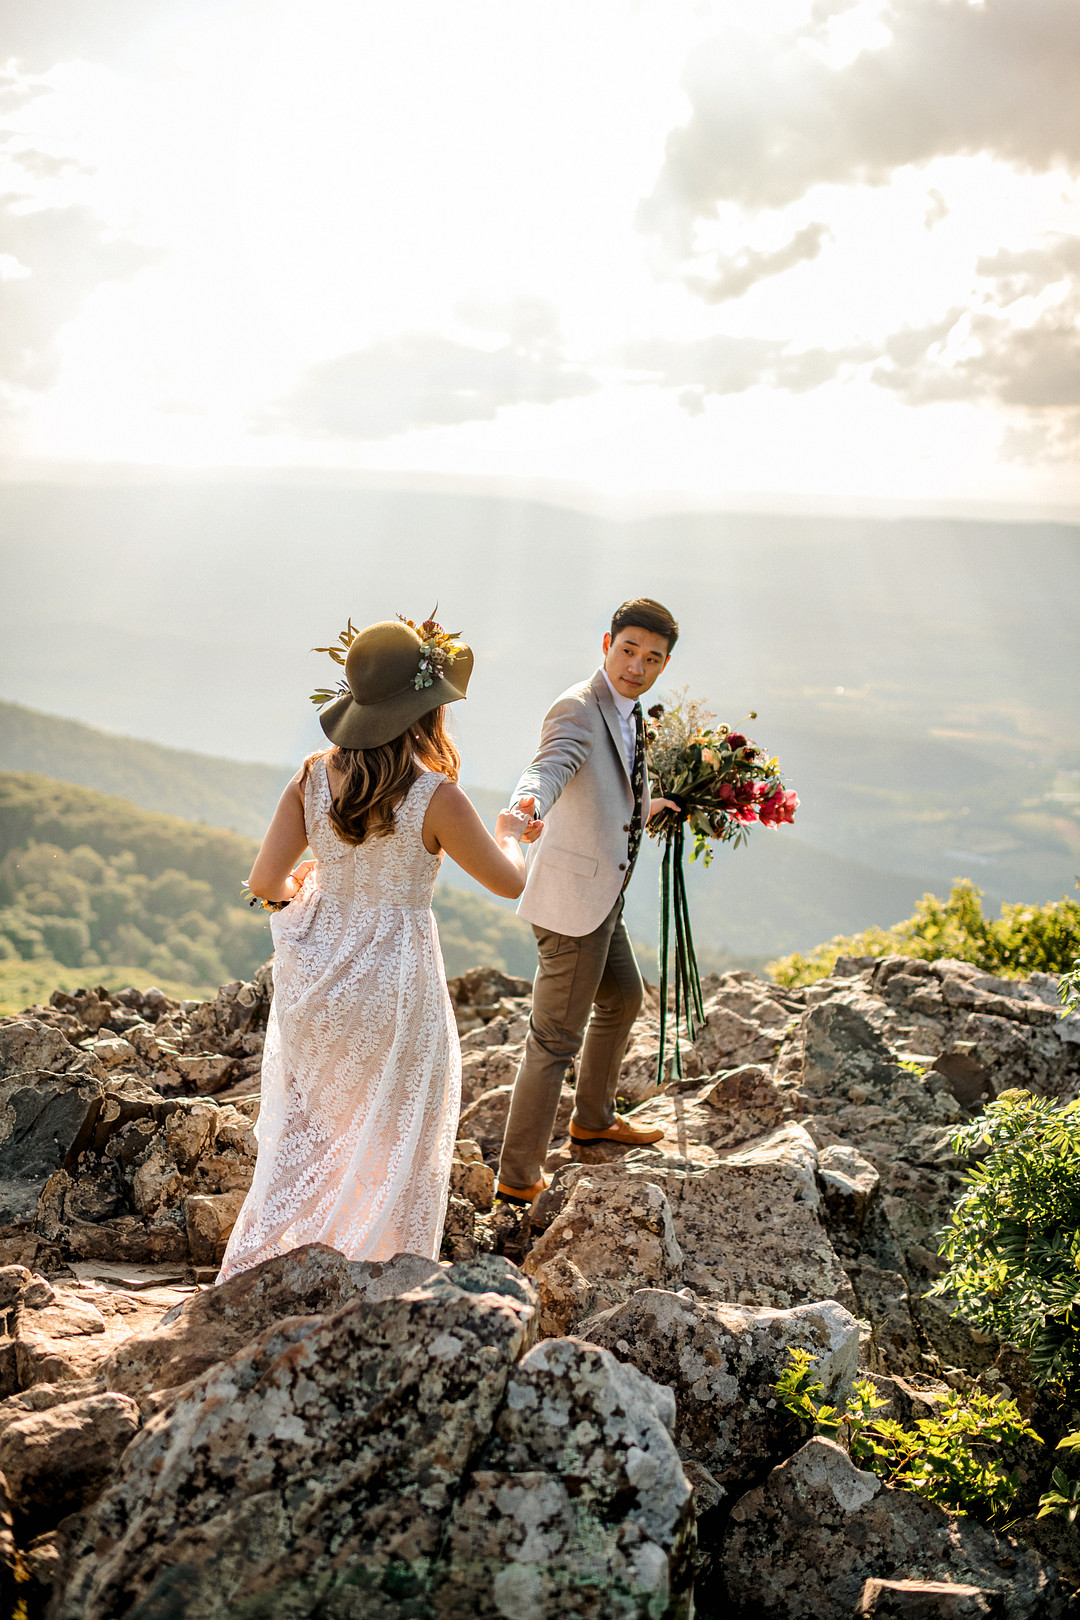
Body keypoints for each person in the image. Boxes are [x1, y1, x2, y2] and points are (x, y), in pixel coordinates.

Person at [218, 615, 542, 1281]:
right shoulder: (435, 796)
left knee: (312, 1142)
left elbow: (263, 884)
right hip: (395, 983)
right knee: (397, 1139)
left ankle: (272, 1270)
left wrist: (307, 888)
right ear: (425, 711)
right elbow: (509, 884)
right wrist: (512, 832)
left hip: (318, 982)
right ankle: (375, 1277)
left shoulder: (311, 778)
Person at [496, 597, 680, 1206]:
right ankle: (518, 1180)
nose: (637, 665)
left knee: (625, 996)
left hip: (603, 896)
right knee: (552, 1041)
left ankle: (594, 1117)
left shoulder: (631, 711)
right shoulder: (578, 707)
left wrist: (643, 808)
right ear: (607, 645)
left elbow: (607, 784)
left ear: (664, 664)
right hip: (572, 905)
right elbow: (550, 767)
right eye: (628, 650)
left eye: (652, 657)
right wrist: (527, 808)